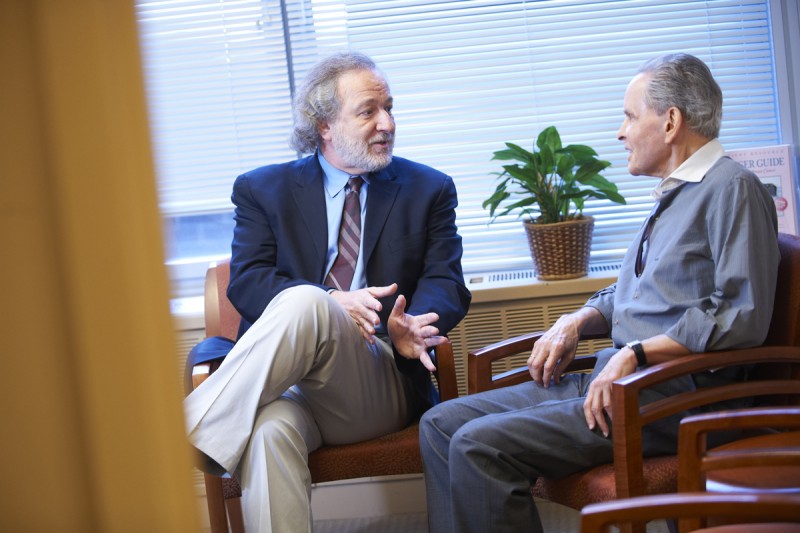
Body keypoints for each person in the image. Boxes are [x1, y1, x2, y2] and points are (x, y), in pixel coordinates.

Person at [419, 52, 780, 533]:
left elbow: (739, 317)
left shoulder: (732, 188)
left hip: (672, 393)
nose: (620, 131)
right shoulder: (676, 194)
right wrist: (576, 321)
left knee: (477, 445)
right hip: (619, 380)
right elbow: (635, 292)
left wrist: (635, 353)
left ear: (670, 121)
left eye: (630, 116)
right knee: (439, 425)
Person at [184, 51, 471, 532]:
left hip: (377, 378)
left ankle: (184, 435)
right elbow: (250, 279)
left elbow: (447, 281)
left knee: (306, 299)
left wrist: (410, 324)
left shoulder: (429, 189)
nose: (387, 123)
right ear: (324, 125)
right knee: (268, 434)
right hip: (287, 384)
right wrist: (332, 301)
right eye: (367, 111)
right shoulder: (262, 189)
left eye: (389, 108)